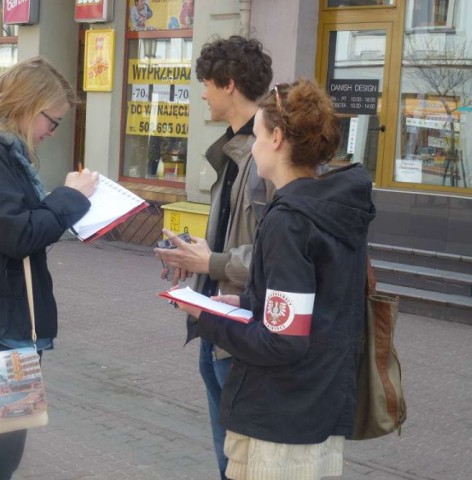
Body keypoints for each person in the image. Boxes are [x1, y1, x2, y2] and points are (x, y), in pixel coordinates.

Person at [166, 80, 376, 479]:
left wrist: (205, 316)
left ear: (277, 138)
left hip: (282, 416)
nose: (253, 145)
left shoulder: (290, 220)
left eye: (257, 135)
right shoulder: (331, 207)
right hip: (318, 403)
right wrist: (246, 305)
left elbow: (282, 342)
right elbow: (315, 307)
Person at [0, 56, 99, 480]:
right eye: (53, 120)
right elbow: (16, 234)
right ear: (28, 104)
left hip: (0, 324)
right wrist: (70, 198)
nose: (51, 132)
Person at [154, 36, 274, 480]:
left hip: (243, 332)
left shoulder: (268, 155)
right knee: (228, 458)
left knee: (244, 463)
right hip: (213, 325)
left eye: (205, 83)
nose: (201, 93)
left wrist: (215, 264)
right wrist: (191, 257)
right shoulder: (233, 149)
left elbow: (276, 254)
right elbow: (228, 234)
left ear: (228, 85)